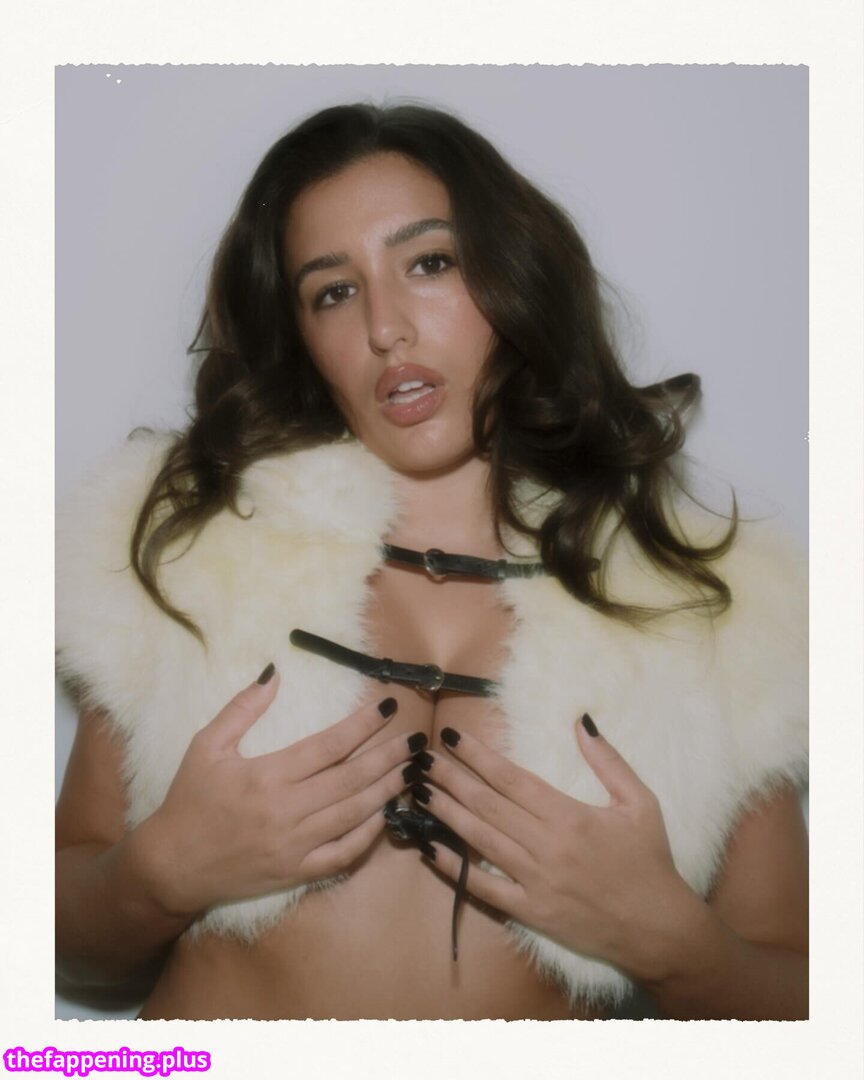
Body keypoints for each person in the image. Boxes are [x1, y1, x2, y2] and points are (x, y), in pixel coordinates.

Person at [55, 102, 808, 1021]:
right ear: (302, 337)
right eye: (334, 291)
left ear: (512, 273)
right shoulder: (187, 547)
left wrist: (670, 942)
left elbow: (804, 1008)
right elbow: (69, 956)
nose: (386, 328)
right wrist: (162, 869)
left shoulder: (718, 607)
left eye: (430, 263)